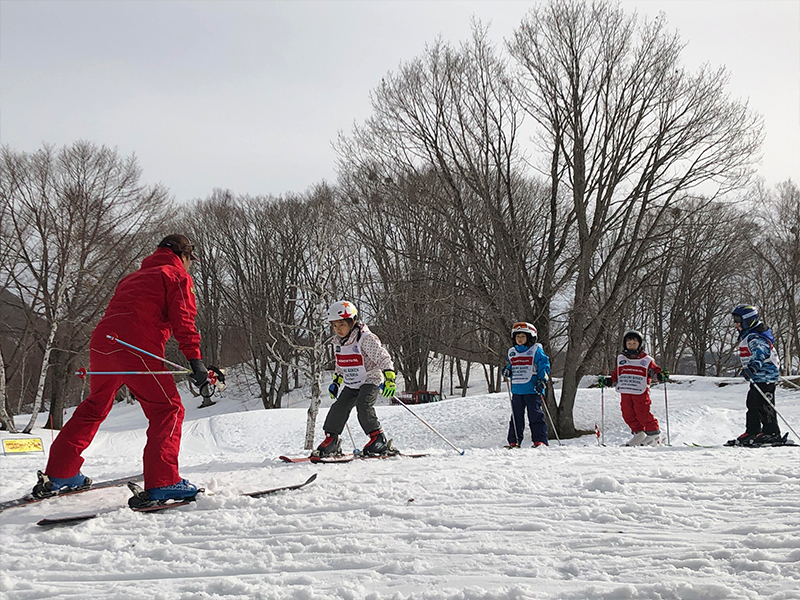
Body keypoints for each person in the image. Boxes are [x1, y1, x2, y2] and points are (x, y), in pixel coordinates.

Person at [32, 234, 211, 502]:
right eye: (189, 260)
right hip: (136, 348)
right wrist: (195, 360)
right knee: (168, 408)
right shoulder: (175, 275)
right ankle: (164, 482)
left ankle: (61, 474)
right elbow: (183, 319)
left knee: (95, 407)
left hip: (103, 345)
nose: (189, 266)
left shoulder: (131, 278)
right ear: (182, 255)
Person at [313, 300, 399, 457]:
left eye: (341, 324)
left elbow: (383, 357)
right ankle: (331, 440)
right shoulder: (338, 343)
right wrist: (336, 382)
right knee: (338, 407)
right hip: (353, 382)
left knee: (363, 405)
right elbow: (341, 364)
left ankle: (378, 440)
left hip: (371, 379)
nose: (338, 329)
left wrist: (390, 378)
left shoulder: (365, 338)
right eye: (334, 326)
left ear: (352, 322)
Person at [725, 305, 782, 446]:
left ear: (747, 320)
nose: (736, 323)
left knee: (764, 405)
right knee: (752, 404)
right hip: (757, 377)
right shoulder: (748, 335)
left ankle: (771, 432)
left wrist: (753, 367)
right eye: (734, 320)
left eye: (738, 320)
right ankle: (753, 431)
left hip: (765, 377)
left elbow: (760, 353)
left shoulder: (756, 337)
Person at [599, 330, 665, 446]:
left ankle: (654, 433)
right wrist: (609, 380)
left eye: (634, 344)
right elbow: (617, 373)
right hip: (626, 391)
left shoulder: (646, 360)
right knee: (627, 413)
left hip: (640, 392)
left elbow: (655, 371)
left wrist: (660, 375)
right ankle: (639, 433)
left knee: (642, 412)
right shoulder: (622, 359)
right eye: (629, 343)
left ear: (640, 344)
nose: (632, 346)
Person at [501, 322, 551, 448]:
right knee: (516, 417)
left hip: (532, 390)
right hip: (517, 390)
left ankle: (540, 440)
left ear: (530, 337)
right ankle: (514, 441)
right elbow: (513, 366)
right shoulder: (512, 352)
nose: (520, 339)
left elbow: (544, 366)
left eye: (523, 336)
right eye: (517, 337)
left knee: (535, 415)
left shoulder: (536, 351)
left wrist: (542, 380)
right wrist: (508, 371)